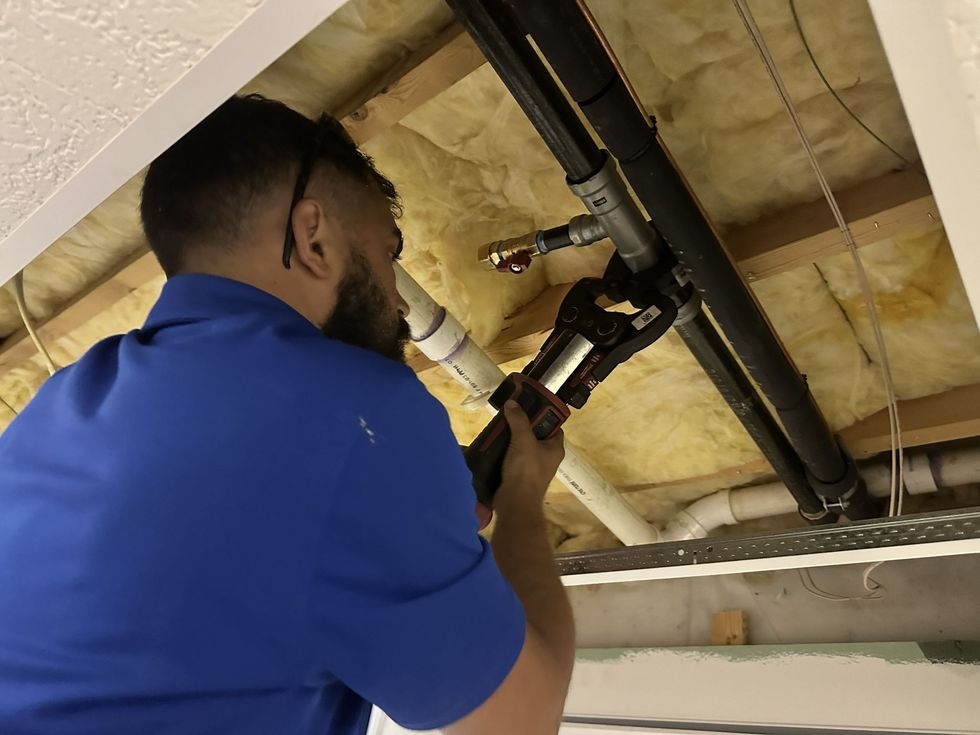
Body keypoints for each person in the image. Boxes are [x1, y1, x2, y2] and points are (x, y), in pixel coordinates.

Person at [0, 95, 574, 734]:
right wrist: (523, 498)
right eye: (388, 254)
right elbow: (520, 723)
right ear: (313, 238)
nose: (397, 297)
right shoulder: (358, 409)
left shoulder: (56, 405)